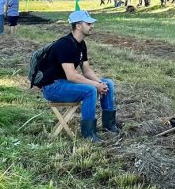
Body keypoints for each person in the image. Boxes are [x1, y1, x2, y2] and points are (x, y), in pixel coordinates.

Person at [37, 10, 119, 141]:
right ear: (78, 26)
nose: (92, 26)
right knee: (90, 90)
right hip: (52, 87)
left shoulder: (81, 44)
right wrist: (96, 85)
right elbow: (72, 76)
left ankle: (109, 125)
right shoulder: (65, 44)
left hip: (64, 83)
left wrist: (100, 83)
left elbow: (86, 70)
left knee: (108, 83)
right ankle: (89, 134)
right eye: (88, 23)